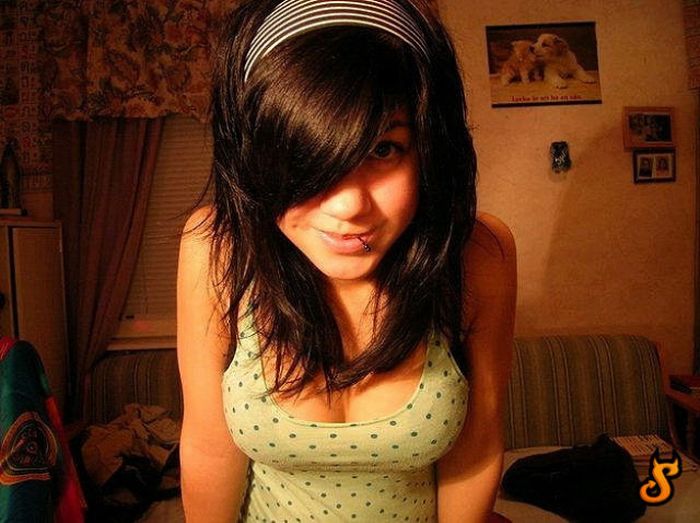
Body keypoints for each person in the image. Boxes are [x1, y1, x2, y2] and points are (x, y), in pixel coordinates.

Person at [176, 0, 517, 521]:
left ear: (429, 150)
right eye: (307, 154)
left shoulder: (477, 255)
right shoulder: (218, 249)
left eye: (383, 149)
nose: (348, 205)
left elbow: (477, 449)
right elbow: (208, 449)